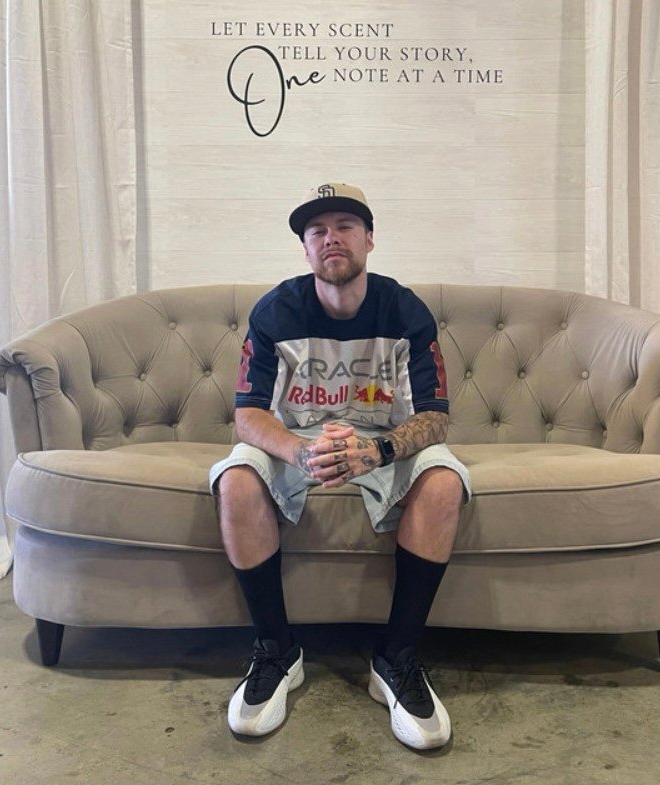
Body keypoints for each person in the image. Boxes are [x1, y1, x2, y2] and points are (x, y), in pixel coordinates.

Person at [209, 182, 471, 750]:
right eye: (317, 230)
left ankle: (396, 658)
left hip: (385, 438)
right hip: (296, 439)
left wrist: (378, 451)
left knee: (444, 479)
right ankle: (277, 652)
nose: (331, 238)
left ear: (369, 239)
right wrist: (299, 452)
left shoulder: (405, 310)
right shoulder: (275, 310)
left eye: (345, 226)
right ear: (305, 248)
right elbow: (249, 415)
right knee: (236, 478)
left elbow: (435, 416)